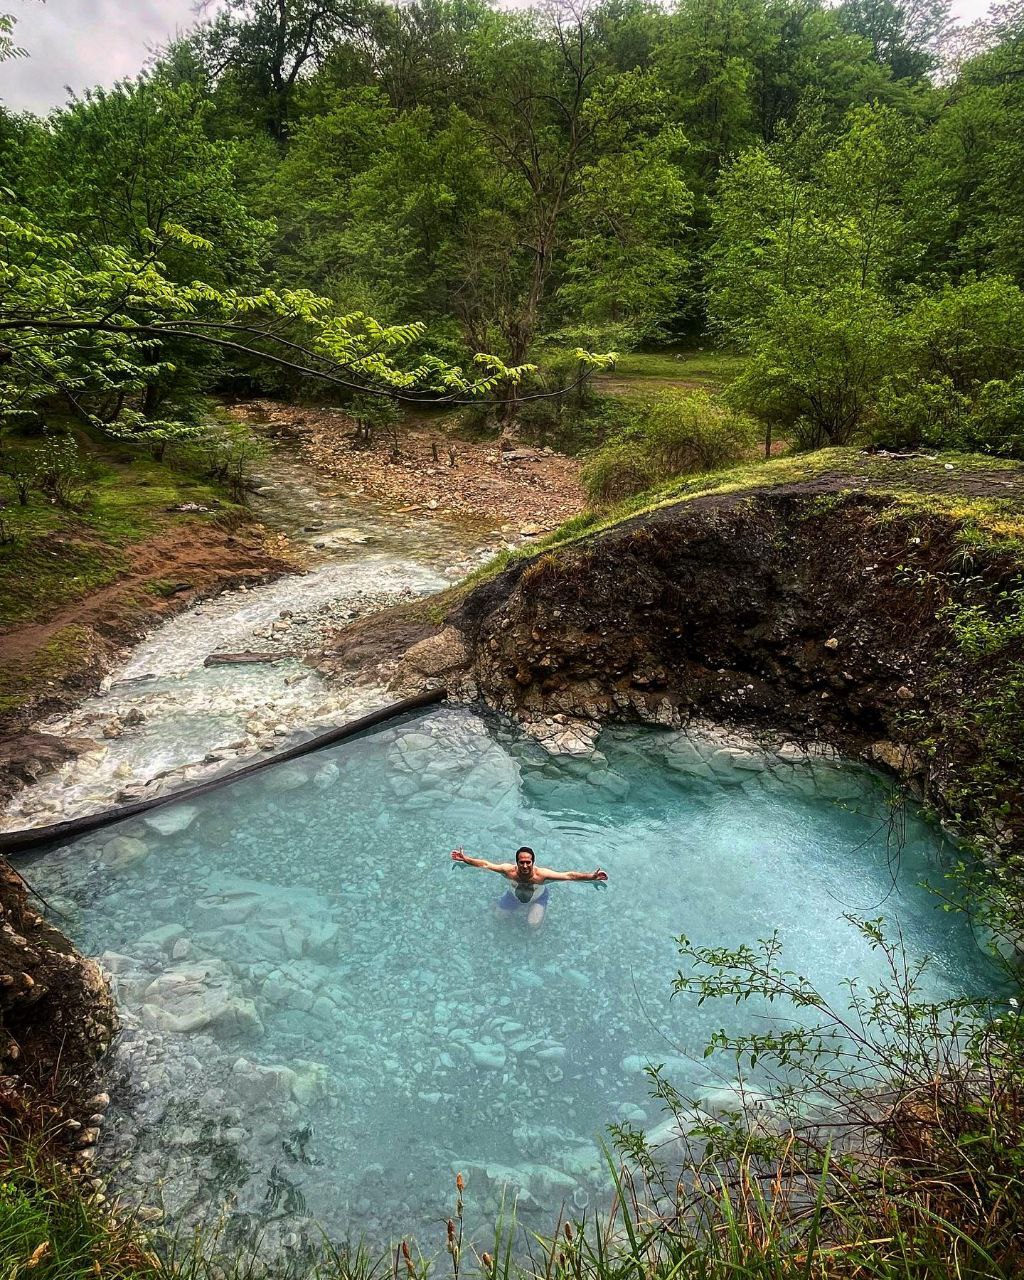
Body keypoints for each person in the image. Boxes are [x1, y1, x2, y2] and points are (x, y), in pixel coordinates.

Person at [450, 845, 607, 929]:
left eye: (528, 862)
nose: (525, 865)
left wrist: (591, 876)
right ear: (517, 862)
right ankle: (518, 908)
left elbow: (568, 876)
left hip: (538, 897)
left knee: (533, 925)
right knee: (498, 918)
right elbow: (485, 864)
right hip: (513, 897)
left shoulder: (542, 876)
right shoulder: (508, 871)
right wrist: (466, 859)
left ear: (533, 862)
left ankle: (540, 910)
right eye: (521, 862)